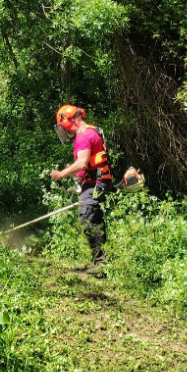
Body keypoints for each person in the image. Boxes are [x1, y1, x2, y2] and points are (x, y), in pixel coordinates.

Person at [50, 105, 112, 269]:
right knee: (93, 219)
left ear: (68, 121)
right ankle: (103, 260)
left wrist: (61, 174)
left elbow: (82, 163)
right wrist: (74, 170)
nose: (65, 130)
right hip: (98, 179)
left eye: (63, 126)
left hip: (95, 182)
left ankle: (101, 264)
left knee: (88, 217)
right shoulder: (91, 131)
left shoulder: (84, 136)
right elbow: (87, 163)